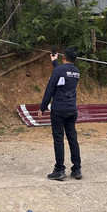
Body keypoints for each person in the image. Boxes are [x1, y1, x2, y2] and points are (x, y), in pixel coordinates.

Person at [37, 47, 82, 180]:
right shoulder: (77, 72)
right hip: (72, 109)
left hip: (59, 110)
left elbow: (50, 89)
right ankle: (77, 169)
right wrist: (54, 62)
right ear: (76, 60)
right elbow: (65, 73)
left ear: (63, 57)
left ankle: (60, 169)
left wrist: (42, 107)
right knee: (72, 138)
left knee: (58, 139)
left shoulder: (59, 70)